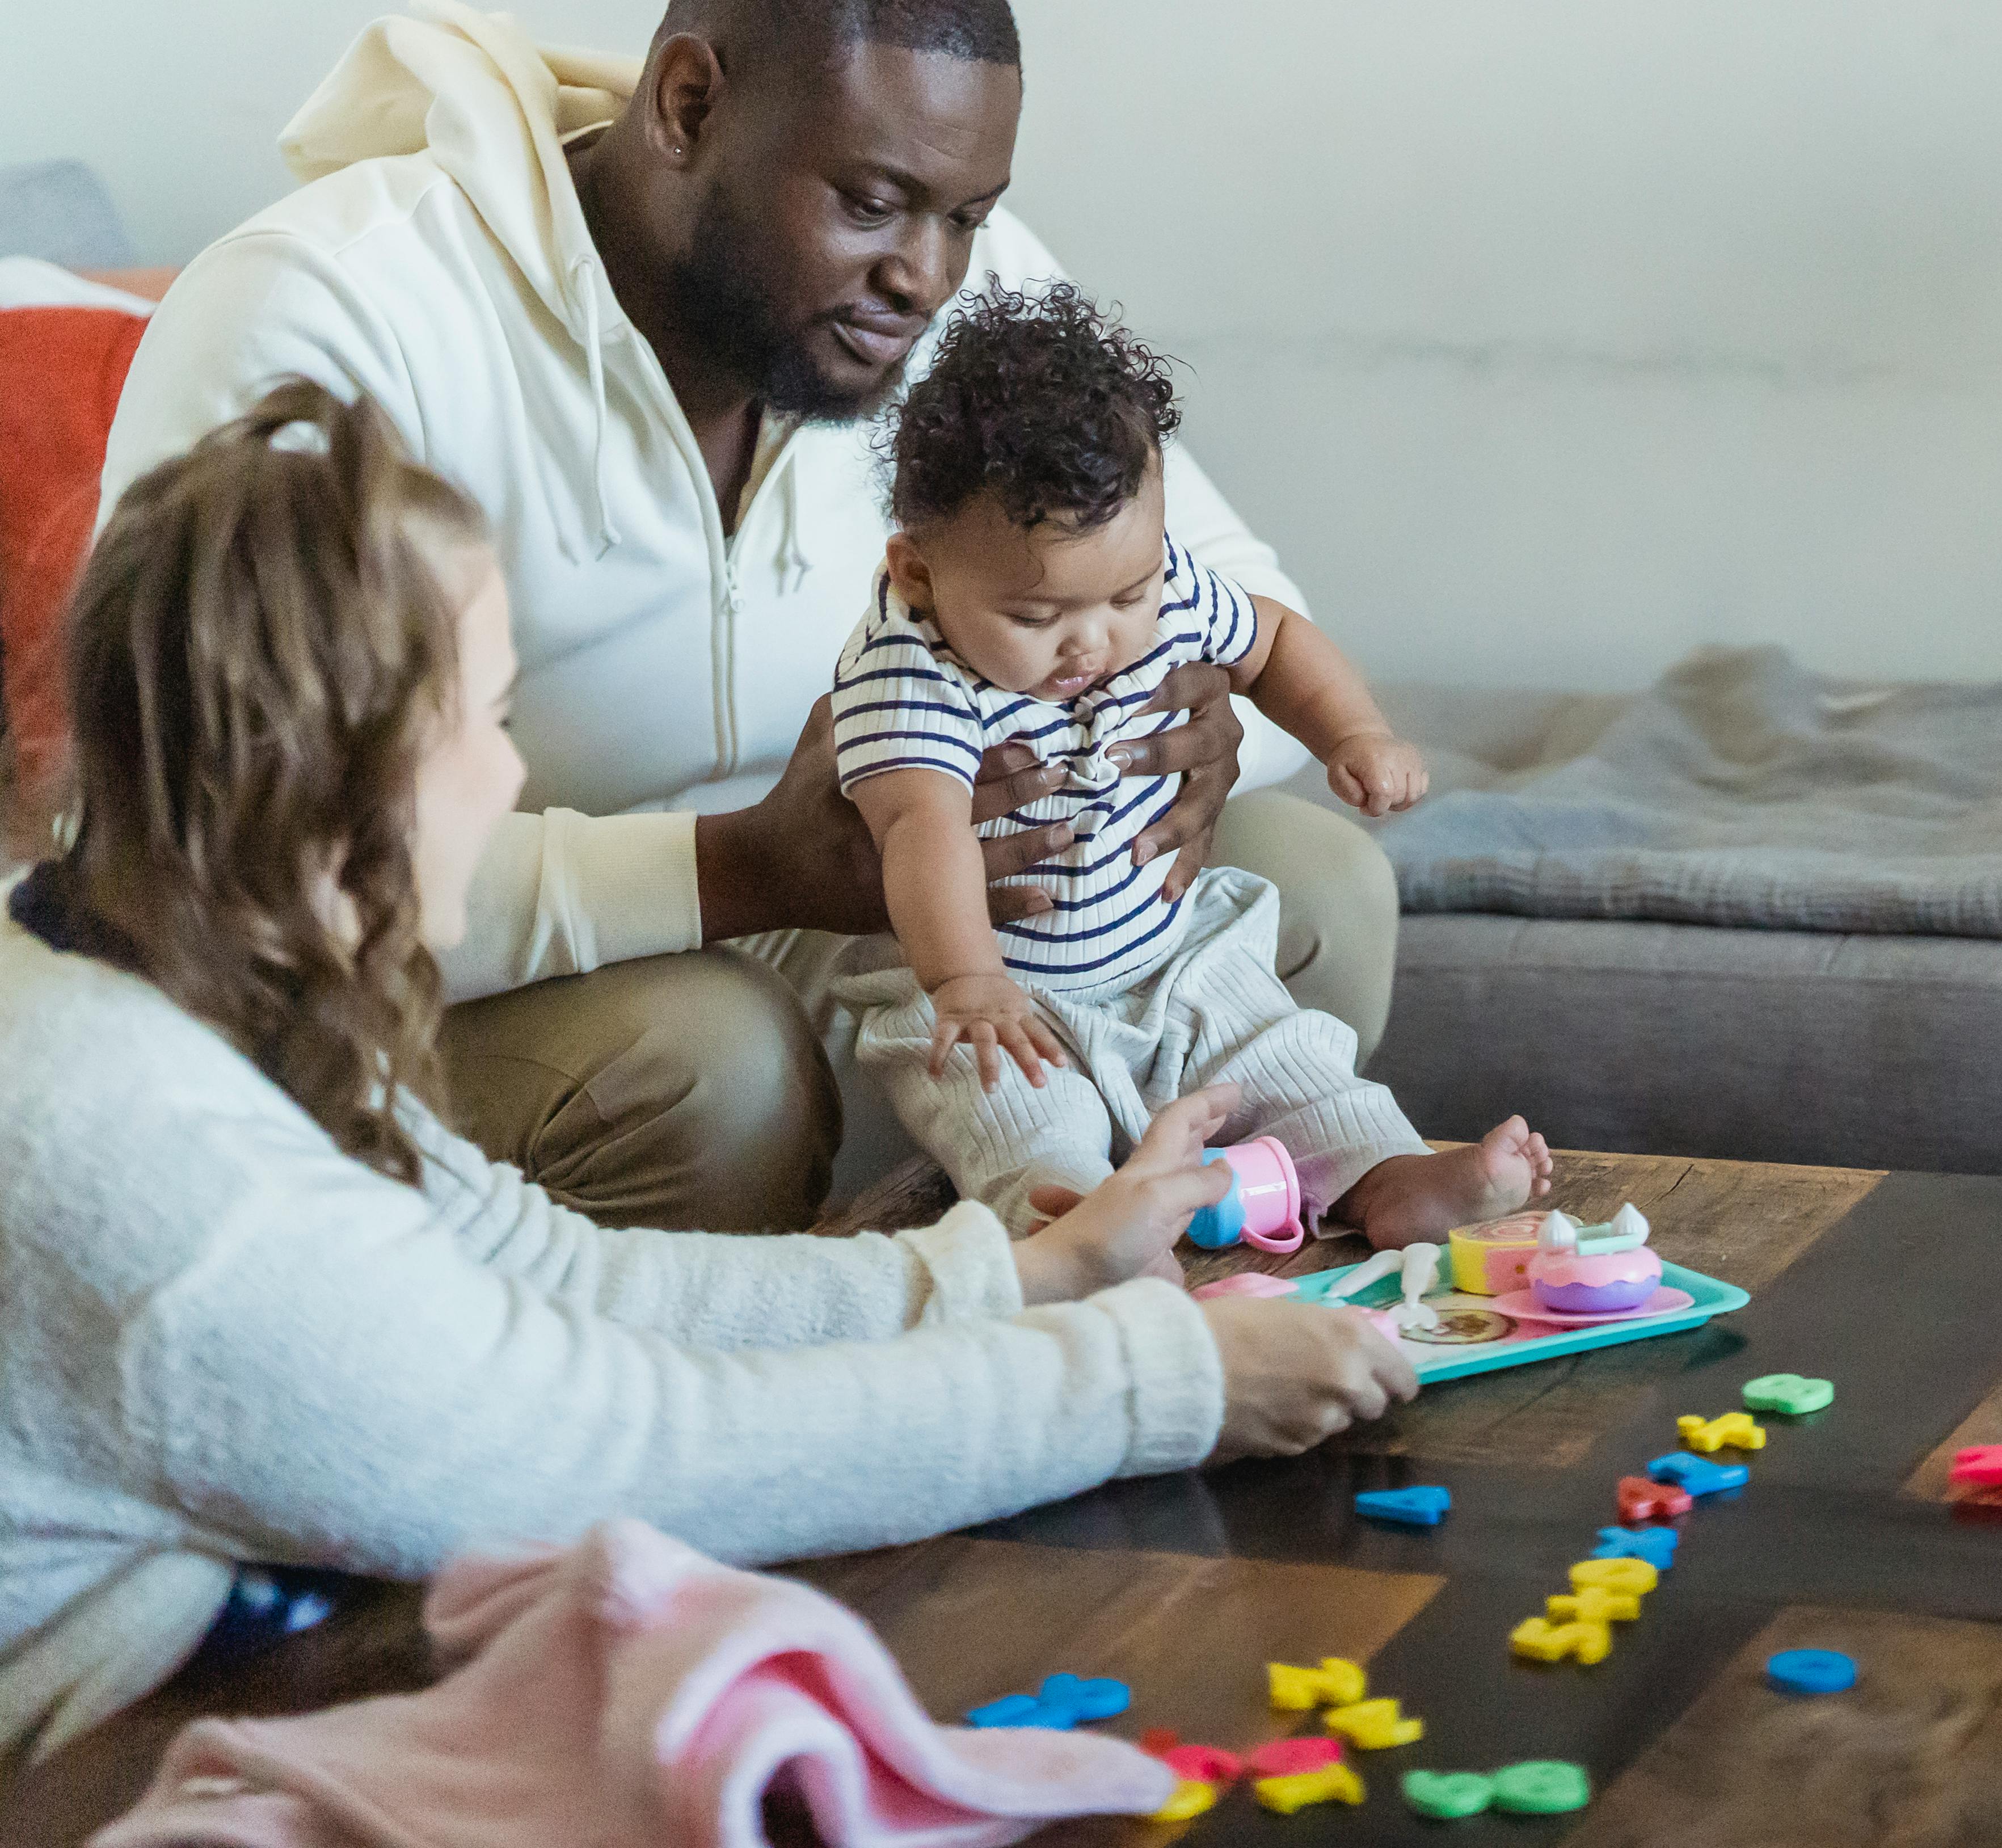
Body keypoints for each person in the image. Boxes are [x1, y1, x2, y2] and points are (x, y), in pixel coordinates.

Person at [0, 384, 1415, 1764]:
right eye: (486, 725)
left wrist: (1021, 1275)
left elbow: (561, 1279)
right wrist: (1157, 1380)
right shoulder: (145, 1161)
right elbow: (618, 1447)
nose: (506, 783)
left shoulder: (163, 975)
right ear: (336, 779)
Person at [97, 0, 1402, 1235]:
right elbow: (217, 876)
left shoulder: (955, 282)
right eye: (873, 201)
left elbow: (1241, 592)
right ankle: (729, 1398)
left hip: (894, 932)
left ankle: (1146, 1343)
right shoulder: (334, 316)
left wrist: (1198, 737)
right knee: (712, 1053)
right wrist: (736, 871)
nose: (930, 278)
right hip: (460, 1000)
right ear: (688, 107)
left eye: (963, 215)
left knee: (1321, 889)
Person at [828, 282, 1550, 1241]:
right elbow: (922, 829)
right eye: (1035, 619)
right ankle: (1078, 1236)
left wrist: (1355, 733)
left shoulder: (1164, 594)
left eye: (1125, 594)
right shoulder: (906, 667)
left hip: (1173, 955)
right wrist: (967, 982)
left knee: (1290, 1059)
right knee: (1024, 1123)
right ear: (919, 570)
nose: (1091, 643)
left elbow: (1273, 639)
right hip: (1004, 995)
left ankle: (1391, 1175)